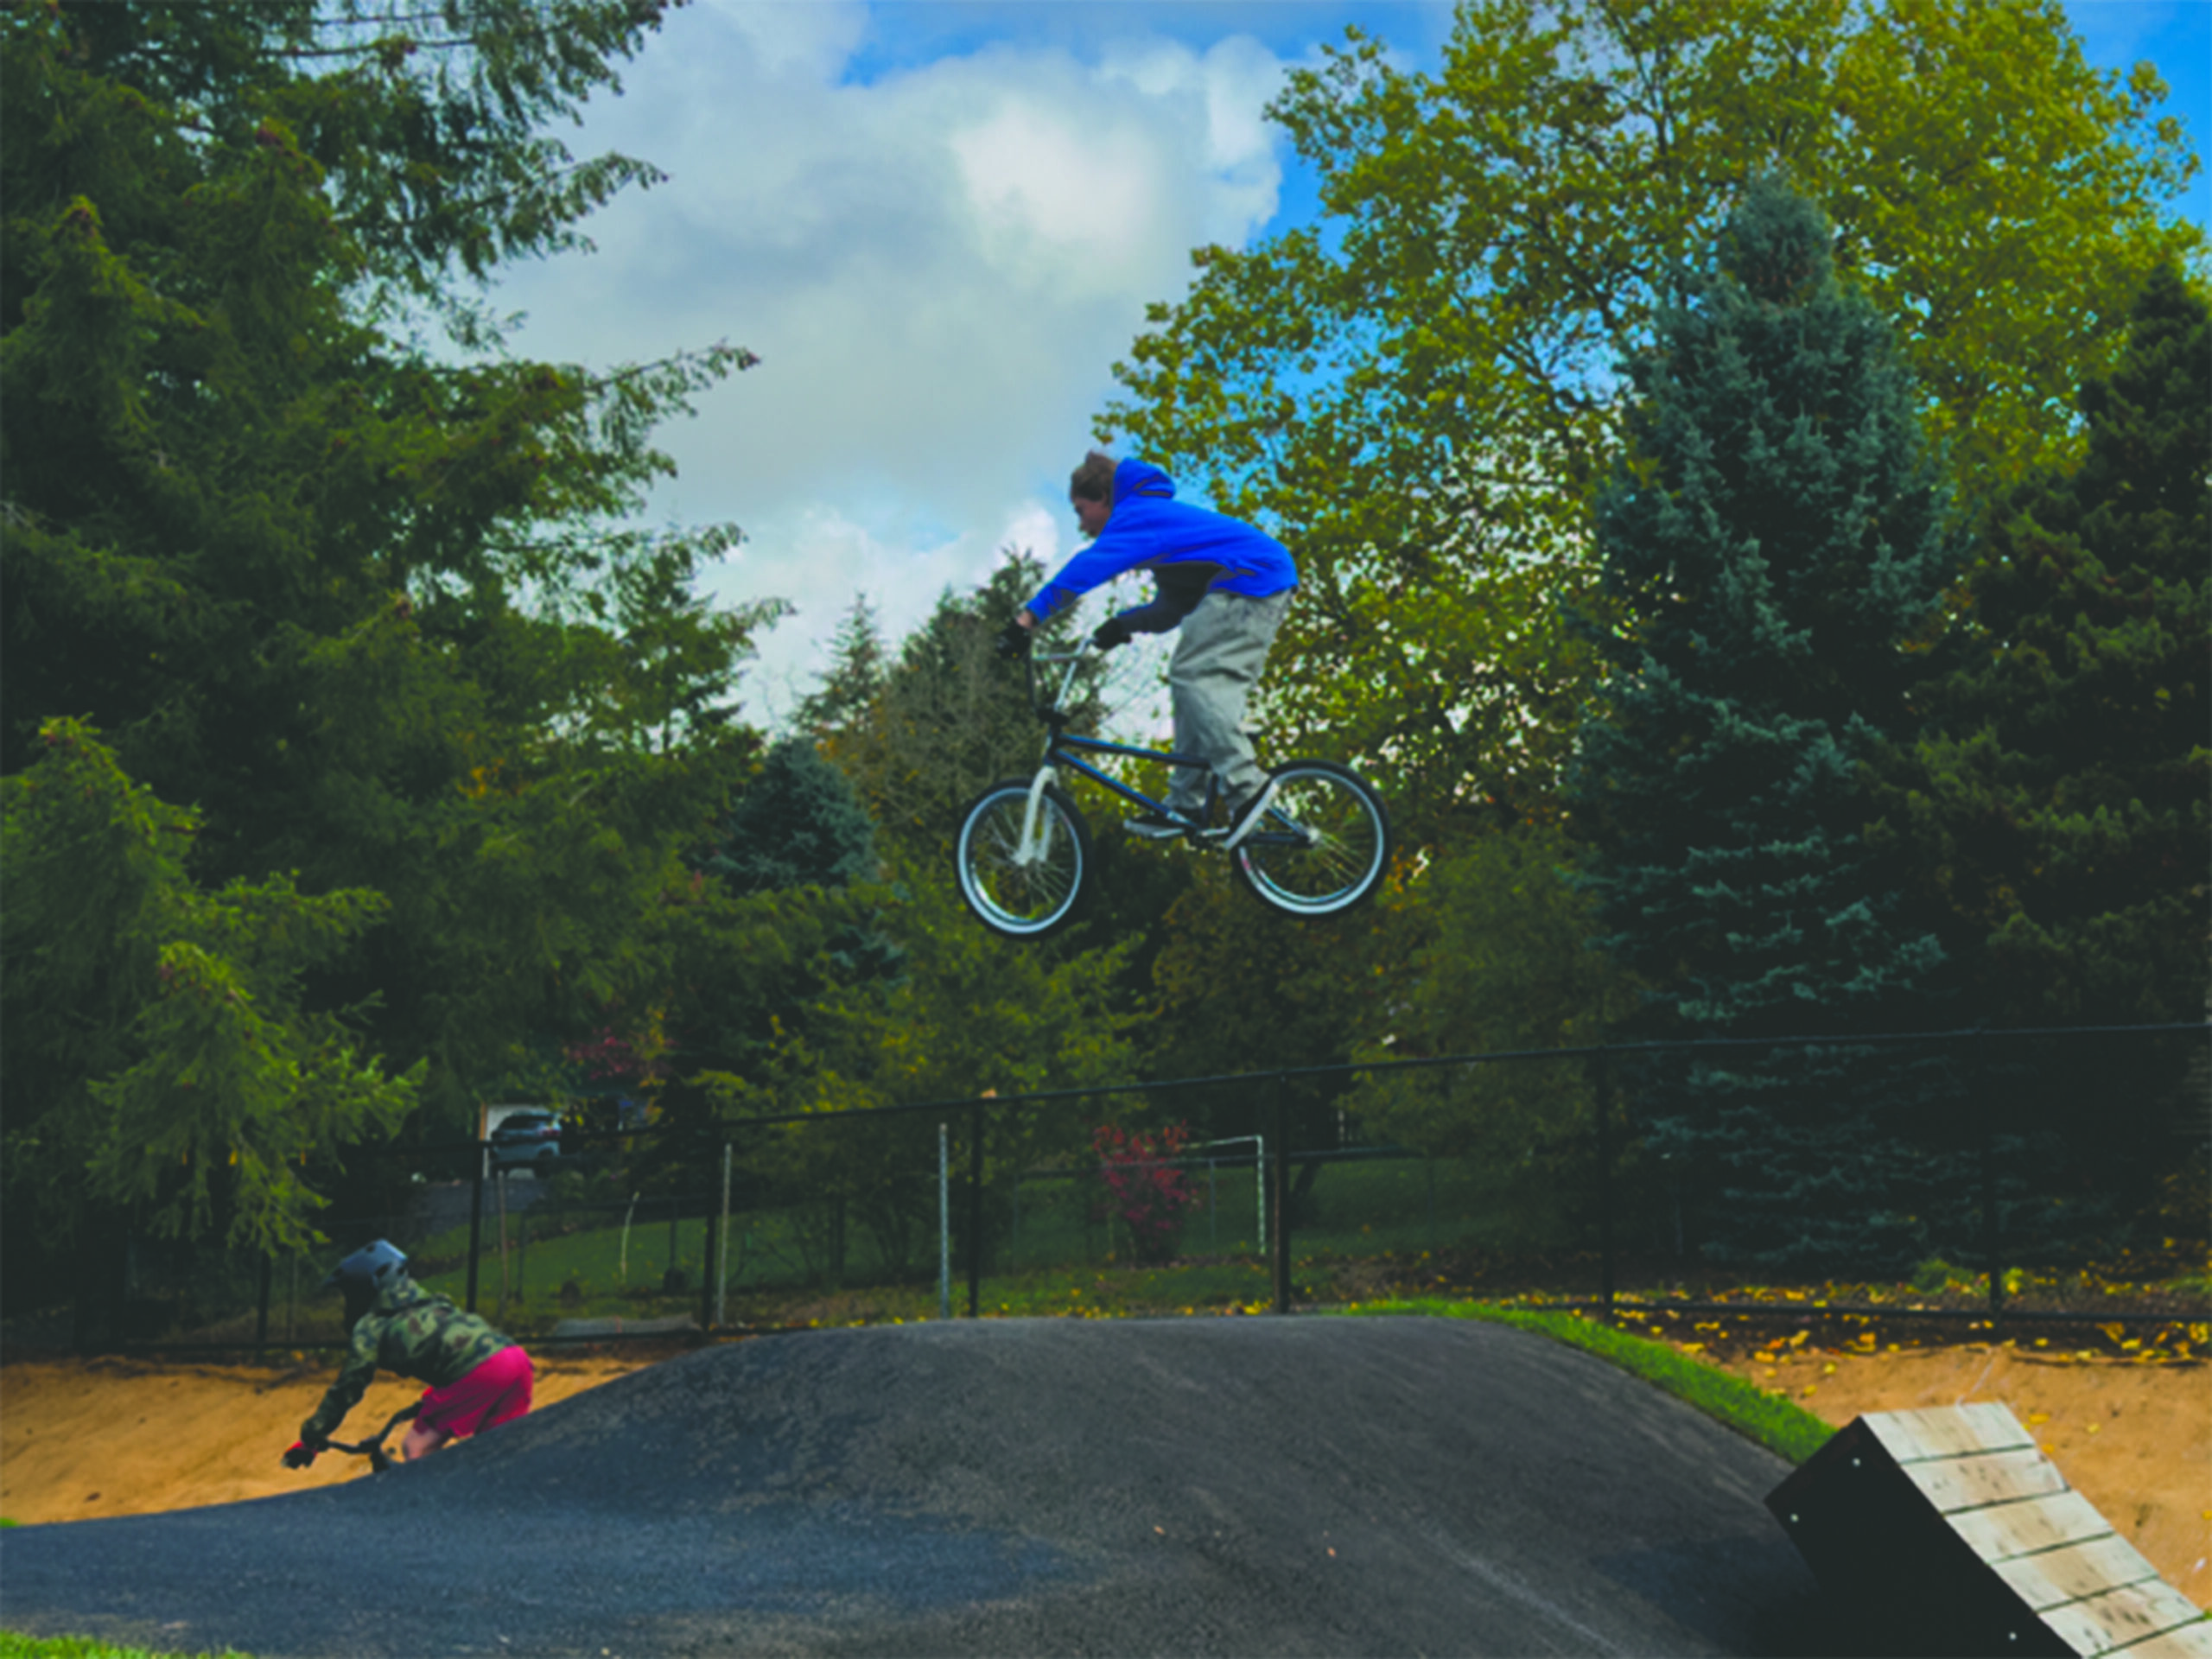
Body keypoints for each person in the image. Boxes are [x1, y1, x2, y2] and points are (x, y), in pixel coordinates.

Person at [998, 452, 1298, 849]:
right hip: (1251, 581)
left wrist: (1027, 620)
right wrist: (1124, 623)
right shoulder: (1155, 525)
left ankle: (1247, 786)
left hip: (1250, 580)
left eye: (1081, 510)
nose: (1081, 523)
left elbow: (1084, 570)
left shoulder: (1137, 515)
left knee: (1193, 676)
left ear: (1104, 497)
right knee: (1189, 683)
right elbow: (1172, 608)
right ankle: (1185, 805)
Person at [283, 1240, 534, 1470]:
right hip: (516, 1358)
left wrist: (311, 1437)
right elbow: (451, 1351)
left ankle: (430, 1516)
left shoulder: (373, 1326)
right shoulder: (436, 1302)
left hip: (478, 1372)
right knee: (497, 1457)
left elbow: (349, 1385)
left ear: (365, 1289)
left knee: (416, 1449)